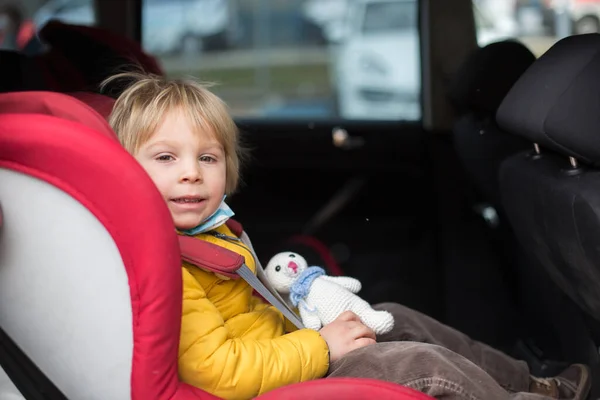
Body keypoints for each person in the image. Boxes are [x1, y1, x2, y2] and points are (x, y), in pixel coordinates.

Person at [103, 72, 592, 400]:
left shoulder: (213, 234)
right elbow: (220, 371)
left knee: (396, 319)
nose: (191, 174)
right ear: (126, 173)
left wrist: (301, 303)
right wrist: (323, 347)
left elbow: (246, 314)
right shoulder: (170, 265)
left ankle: (536, 386)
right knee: (415, 363)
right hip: (268, 385)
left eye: (206, 158)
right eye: (166, 158)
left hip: (287, 354)